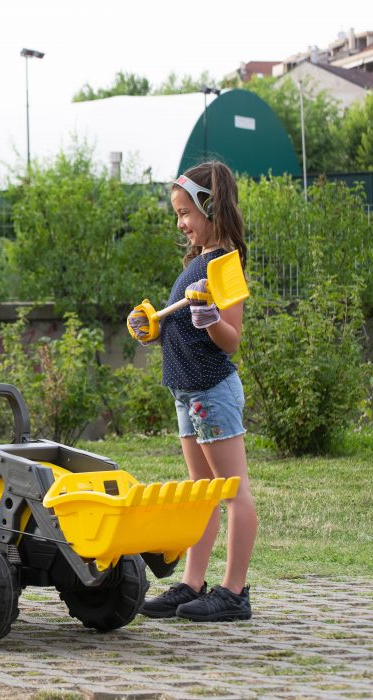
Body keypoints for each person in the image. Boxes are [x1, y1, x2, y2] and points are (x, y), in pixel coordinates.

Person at [127, 161, 258, 622]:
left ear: (210, 208)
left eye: (185, 213)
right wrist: (152, 329)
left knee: (232, 492)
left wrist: (213, 320)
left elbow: (232, 338)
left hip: (212, 390)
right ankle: (192, 583)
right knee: (201, 493)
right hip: (186, 391)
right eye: (177, 214)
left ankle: (234, 591)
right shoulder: (196, 264)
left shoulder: (224, 264)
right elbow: (180, 326)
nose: (181, 223)